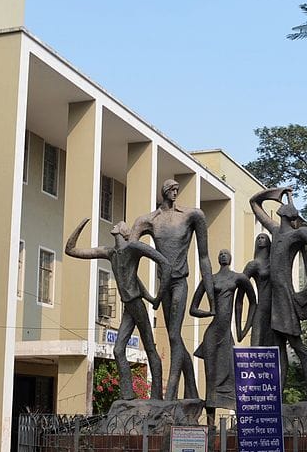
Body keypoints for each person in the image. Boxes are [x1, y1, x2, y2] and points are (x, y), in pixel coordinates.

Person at [65, 218, 171, 400]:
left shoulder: (134, 247)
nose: (117, 224)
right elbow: (71, 250)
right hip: (128, 306)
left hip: (136, 304)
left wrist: (158, 296)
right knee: (118, 350)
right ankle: (127, 395)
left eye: (120, 224)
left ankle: (156, 397)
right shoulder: (110, 252)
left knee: (149, 348)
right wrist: (81, 224)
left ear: (124, 232)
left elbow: (165, 264)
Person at [131, 179, 215, 400]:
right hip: (163, 285)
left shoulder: (191, 216)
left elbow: (204, 257)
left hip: (180, 281)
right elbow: (130, 251)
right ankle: (193, 391)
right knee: (174, 337)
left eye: (178, 189)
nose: (176, 192)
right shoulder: (149, 220)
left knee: (174, 335)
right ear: (164, 192)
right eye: (172, 189)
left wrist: (210, 293)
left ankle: (171, 395)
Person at [250, 187, 307, 401]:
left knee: (298, 347)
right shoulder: (276, 232)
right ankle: (277, 397)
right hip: (274, 302)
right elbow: (254, 203)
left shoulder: (300, 234)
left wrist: (306, 292)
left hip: (285, 299)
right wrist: (277, 192)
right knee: (278, 352)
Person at [190, 249, 256, 424]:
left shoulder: (238, 278)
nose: (223, 255)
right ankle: (210, 424)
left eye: (226, 253)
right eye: (220, 253)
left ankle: (238, 421)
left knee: (232, 375)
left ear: (230, 257)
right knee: (210, 377)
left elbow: (253, 301)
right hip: (212, 334)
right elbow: (193, 308)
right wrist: (209, 312)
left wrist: (245, 327)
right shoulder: (209, 279)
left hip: (226, 335)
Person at [243, 233, 275, 346]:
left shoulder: (274, 263)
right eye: (258, 238)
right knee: (256, 342)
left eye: (263, 238)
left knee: (275, 343)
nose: (261, 240)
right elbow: (241, 286)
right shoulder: (253, 264)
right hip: (261, 308)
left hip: (275, 308)